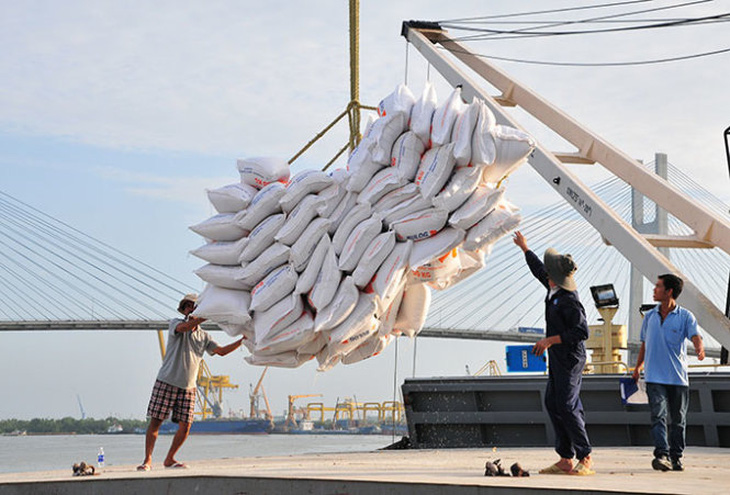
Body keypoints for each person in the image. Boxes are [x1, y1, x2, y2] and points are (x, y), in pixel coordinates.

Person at [513, 231, 593, 475]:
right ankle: (565, 458)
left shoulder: (568, 300)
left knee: (567, 406)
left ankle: (585, 455)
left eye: (549, 272)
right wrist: (525, 249)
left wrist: (550, 340)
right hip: (558, 358)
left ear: (554, 277)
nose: (545, 274)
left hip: (570, 358)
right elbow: (538, 270)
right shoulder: (553, 290)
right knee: (553, 402)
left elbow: (582, 332)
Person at [137, 293, 244, 471]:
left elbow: (221, 351)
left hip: (189, 387)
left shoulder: (204, 337)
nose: (190, 308)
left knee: (186, 426)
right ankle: (147, 460)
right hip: (167, 381)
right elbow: (185, 327)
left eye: (194, 305)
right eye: (187, 306)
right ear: (184, 310)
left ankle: (169, 459)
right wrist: (207, 315)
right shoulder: (175, 323)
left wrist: (241, 341)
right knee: (156, 422)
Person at [632, 274, 704, 472]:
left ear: (669, 291)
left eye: (658, 286)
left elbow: (695, 336)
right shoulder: (649, 317)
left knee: (678, 420)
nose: (654, 290)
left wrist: (699, 348)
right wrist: (638, 367)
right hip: (654, 377)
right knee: (658, 416)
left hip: (678, 379)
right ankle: (662, 454)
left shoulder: (685, 316)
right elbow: (645, 345)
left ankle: (676, 457)